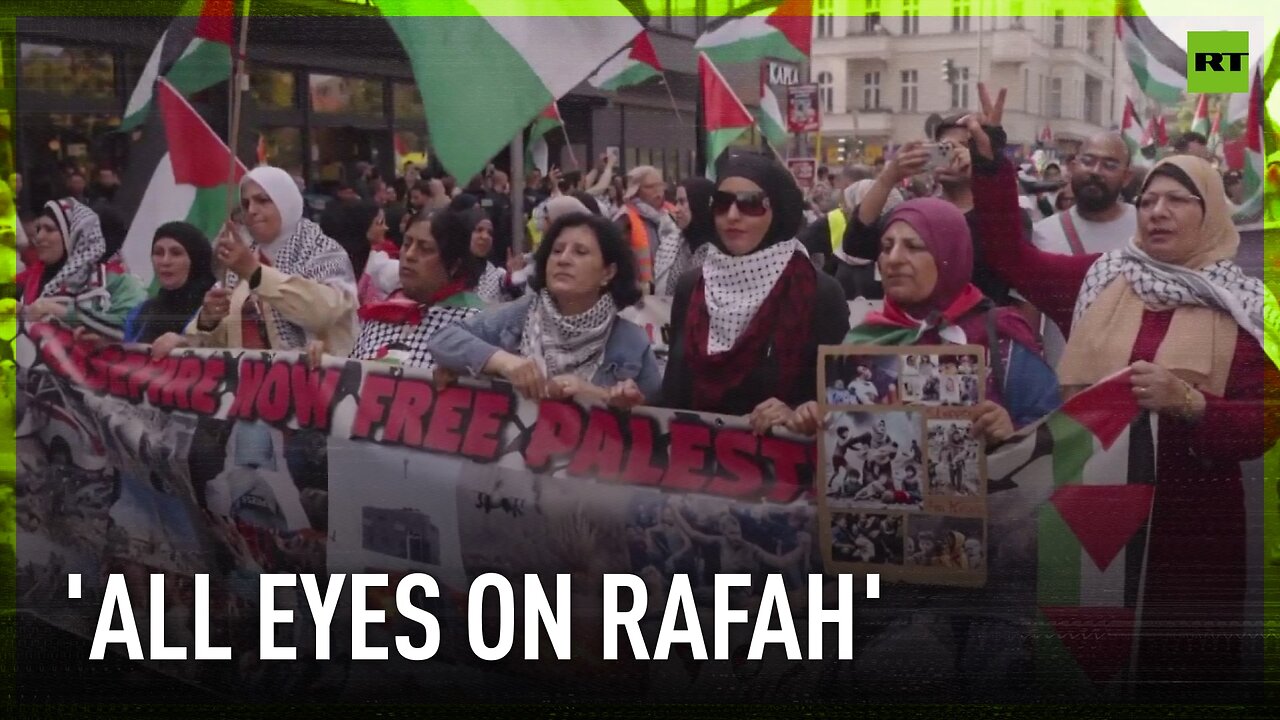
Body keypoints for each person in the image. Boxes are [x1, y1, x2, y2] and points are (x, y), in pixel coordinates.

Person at [966, 82, 1279, 686]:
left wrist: (1189, 403)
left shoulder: (1242, 305)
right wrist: (990, 160)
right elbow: (1008, 253)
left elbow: (1267, 419)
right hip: (1090, 524)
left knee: (1179, 676)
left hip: (1191, 536)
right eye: (1149, 199)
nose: (1157, 211)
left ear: (1210, 211)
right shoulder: (1101, 280)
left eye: (1178, 200)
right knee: (1085, 673)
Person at [794, 195, 1060, 443]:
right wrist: (811, 417)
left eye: (914, 246)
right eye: (886, 247)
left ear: (950, 255)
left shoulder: (1001, 336)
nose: (894, 259)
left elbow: (1052, 431)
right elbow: (845, 436)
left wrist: (1011, 430)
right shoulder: (862, 341)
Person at [660, 151, 850, 432]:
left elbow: (840, 400)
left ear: (779, 211)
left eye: (751, 204)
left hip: (781, 467)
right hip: (695, 464)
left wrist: (797, 413)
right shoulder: (692, 286)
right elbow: (673, 394)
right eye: (722, 203)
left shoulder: (818, 291)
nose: (733, 216)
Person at [428, 212, 659, 408]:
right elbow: (443, 339)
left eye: (580, 252)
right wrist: (504, 363)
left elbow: (659, 417)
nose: (563, 260)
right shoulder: (521, 314)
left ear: (608, 273)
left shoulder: (632, 342)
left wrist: (603, 398)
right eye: (556, 251)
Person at [186, 166, 358, 355]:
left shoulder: (324, 251)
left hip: (318, 380)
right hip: (250, 381)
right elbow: (214, 342)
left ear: (286, 202)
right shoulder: (241, 259)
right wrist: (208, 321)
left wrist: (255, 273)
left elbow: (324, 313)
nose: (251, 210)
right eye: (245, 203)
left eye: (263, 200)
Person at [1030, 132, 1138, 368]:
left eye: (1109, 165)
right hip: (1064, 390)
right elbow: (1027, 322)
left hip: (1133, 385)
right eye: (1088, 161)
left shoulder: (1147, 228)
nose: (1096, 171)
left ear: (1127, 177)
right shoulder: (1042, 234)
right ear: (1072, 166)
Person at [335, 208, 486, 370]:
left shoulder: (476, 326)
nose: (409, 255)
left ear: (454, 265)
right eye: (406, 244)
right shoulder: (381, 317)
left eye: (425, 249)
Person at [18, 198, 146, 340]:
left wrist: (62, 312)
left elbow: (134, 329)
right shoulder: (33, 280)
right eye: (38, 229)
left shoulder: (115, 282)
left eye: (49, 229)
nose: (39, 237)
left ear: (74, 235)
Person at [122, 222, 216, 351]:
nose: (165, 261)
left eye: (176, 253)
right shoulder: (141, 312)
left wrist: (186, 344)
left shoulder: (215, 308)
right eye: (158, 253)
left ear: (196, 259)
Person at [616, 165, 679, 289]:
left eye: (660, 185)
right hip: (640, 296)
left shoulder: (672, 213)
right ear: (636, 191)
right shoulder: (625, 218)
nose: (657, 191)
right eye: (649, 187)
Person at [652, 177, 715, 296]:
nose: (676, 209)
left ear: (698, 203)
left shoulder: (721, 250)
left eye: (682, 202)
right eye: (676, 202)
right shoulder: (671, 245)